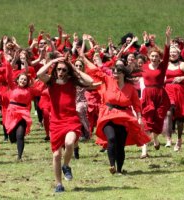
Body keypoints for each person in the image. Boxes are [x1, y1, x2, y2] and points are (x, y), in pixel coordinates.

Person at [80, 34, 150, 174]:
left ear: (123, 74)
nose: (115, 75)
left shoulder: (130, 88)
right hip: (108, 114)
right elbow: (95, 70)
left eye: (118, 73)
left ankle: (119, 169)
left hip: (124, 116)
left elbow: (136, 104)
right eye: (114, 72)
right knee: (111, 138)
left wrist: (139, 117)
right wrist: (83, 58)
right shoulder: (108, 80)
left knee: (120, 145)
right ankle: (112, 165)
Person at [37, 56, 94, 192]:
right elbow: (39, 74)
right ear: (55, 70)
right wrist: (51, 62)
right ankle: (59, 184)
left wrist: (74, 67)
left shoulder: (72, 81)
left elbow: (90, 81)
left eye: (63, 69)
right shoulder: (51, 81)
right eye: (58, 69)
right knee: (56, 155)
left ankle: (66, 165)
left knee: (69, 143)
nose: (61, 72)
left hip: (71, 120)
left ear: (67, 71)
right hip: (56, 122)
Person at [140, 26, 172, 158]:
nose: (154, 58)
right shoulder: (144, 66)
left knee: (158, 121)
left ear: (160, 58)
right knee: (147, 122)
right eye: (152, 56)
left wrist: (167, 38)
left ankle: (156, 139)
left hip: (160, 95)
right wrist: (146, 41)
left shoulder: (163, 66)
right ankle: (144, 151)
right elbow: (141, 50)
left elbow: (167, 50)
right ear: (149, 57)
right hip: (147, 95)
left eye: (156, 56)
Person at [164, 45, 184, 152]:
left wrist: (181, 77)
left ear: (178, 54)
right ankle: (168, 138)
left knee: (180, 119)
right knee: (168, 113)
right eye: (171, 52)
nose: (173, 54)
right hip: (168, 90)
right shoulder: (165, 64)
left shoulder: (182, 64)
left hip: (180, 92)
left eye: (175, 52)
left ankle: (179, 139)